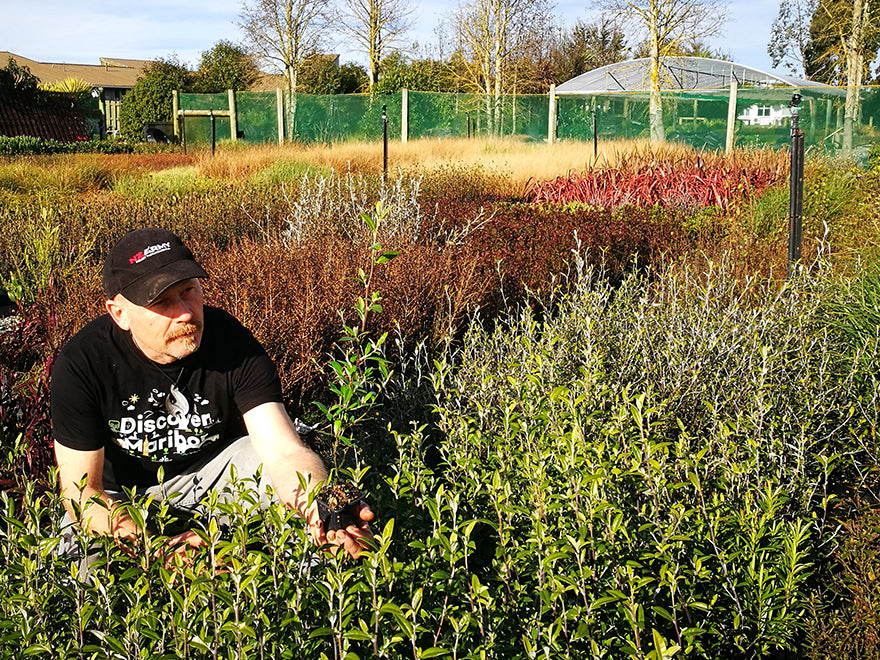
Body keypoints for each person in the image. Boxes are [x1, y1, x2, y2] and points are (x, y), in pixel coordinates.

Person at [50, 227, 373, 565]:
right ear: (120, 314)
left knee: (297, 494)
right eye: (162, 302)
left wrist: (321, 504)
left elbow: (282, 450)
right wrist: (154, 548)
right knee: (82, 562)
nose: (186, 312)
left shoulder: (232, 343)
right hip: (123, 495)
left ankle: (286, 586)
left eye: (189, 291)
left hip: (212, 477)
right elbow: (82, 493)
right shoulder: (83, 364)